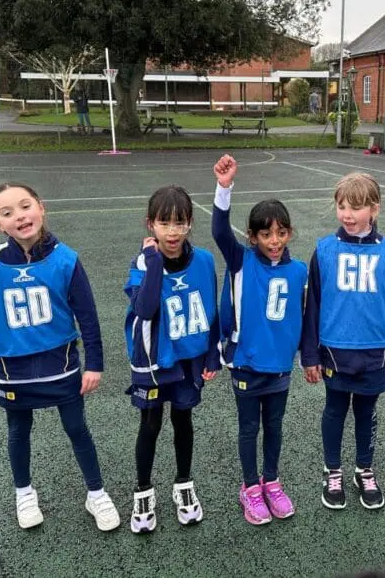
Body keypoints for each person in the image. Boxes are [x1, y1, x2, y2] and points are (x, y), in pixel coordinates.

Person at [0, 183, 120, 533]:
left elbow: (86, 314)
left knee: (76, 428)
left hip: (61, 365)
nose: (19, 216)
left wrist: (95, 363)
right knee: (18, 431)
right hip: (13, 370)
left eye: (25, 206)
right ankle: (24, 493)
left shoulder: (66, 258)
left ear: (41, 207)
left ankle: (96, 493)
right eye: (7, 212)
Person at [301, 172, 385, 511]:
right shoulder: (324, 251)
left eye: (356, 208)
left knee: (366, 411)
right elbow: (313, 306)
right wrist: (310, 355)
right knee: (335, 409)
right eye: (341, 207)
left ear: (374, 209)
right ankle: (332, 470)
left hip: (375, 351)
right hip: (335, 351)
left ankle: (364, 469)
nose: (347, 215)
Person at [211, 154, 307, 525]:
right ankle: (250, 487)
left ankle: (272, 482)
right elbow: (220, 230)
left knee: (276, 425)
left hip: (279, 364)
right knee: (250, 426)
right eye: (266, 234)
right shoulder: (240, 261)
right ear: (252, 237)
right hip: (246, 362)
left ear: (289, 233)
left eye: (281, 233)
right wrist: (224, 187)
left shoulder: (298, 270)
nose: (274, 240)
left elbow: (304, 317)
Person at [124, 185, 220, 533]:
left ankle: (183, 484)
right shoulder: (142, 263)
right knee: (150, 425)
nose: (173, 232)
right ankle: (143, 490)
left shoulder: (205, 260)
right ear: (150, 225)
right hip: (153, 361)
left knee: (183, 421)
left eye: (180, 223)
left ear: (190, 224)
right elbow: (146, 308)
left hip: (188, 360)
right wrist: (152, 263)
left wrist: (212, 354)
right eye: (165, 223)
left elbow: (212, 309)